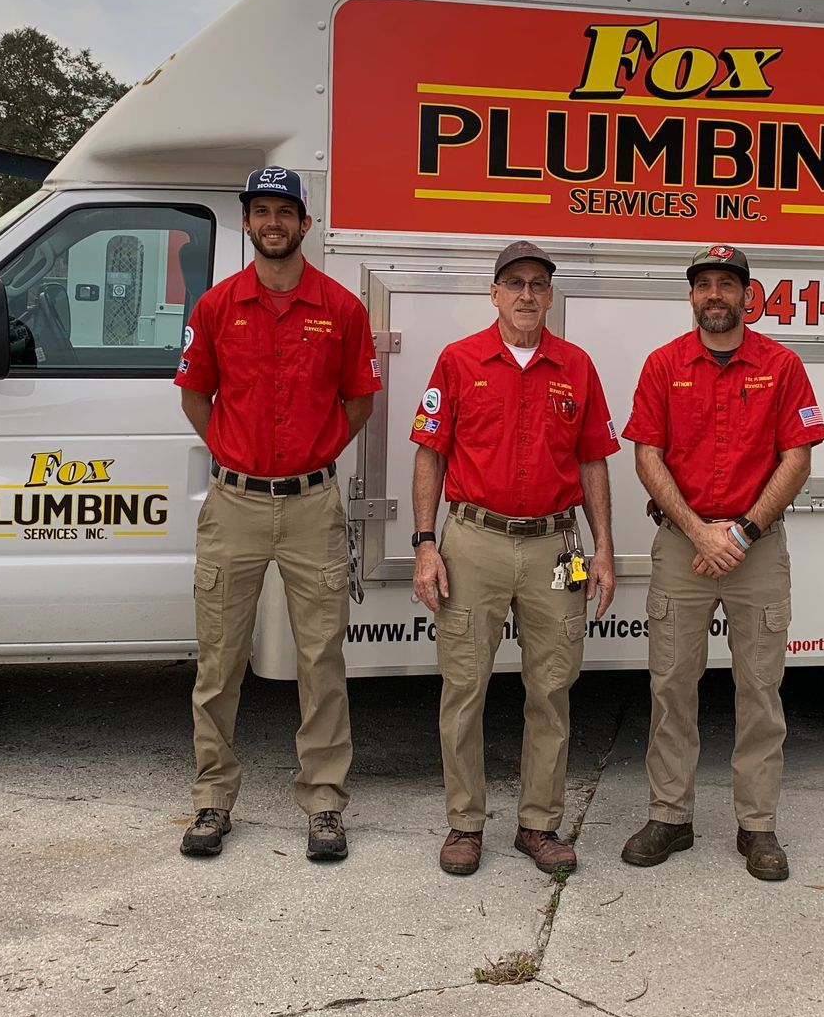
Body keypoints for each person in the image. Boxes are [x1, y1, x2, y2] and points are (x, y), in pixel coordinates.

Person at [174, 166, 380, 861]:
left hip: (311, 507)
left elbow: (359, 402)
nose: (272, 223)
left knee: (321, 658)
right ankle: (210, 798)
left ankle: (324, 801)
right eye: (261, 211)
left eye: (283, 212)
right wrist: (232, 454)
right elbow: (196, 395)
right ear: (247, 222)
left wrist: (316, 455)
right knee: (219, 658)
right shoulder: (216, 306)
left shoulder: (342, 309)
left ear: (303, 224)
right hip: (233, 504)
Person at [409, 240, 619, 877]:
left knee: (552, 688)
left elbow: (592, 461)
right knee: (464, 687)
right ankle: (465, 824)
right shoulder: (459, 361)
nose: (526, 294)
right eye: (514, 283)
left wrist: (602, 547)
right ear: (493, 293)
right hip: (472, 541)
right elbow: (430, 453)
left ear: (550, 295)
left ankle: (539, 824)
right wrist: (425, 544)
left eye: (537, 284)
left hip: (558, 545)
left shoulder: (576, 366)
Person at [620, 244, 824, 881]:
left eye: (727, 285)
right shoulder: (662, 365)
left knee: (760, 691)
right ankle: (670, 816)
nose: (716, 295)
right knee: (670, 687)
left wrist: (742, 531)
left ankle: (758, 827)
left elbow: (798, 457)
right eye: (704, 284)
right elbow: (647, 456)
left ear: (746, 295)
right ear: (691, 296)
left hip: (756, 549)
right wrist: (698, 532)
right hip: (683, 548)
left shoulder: (782, 365)